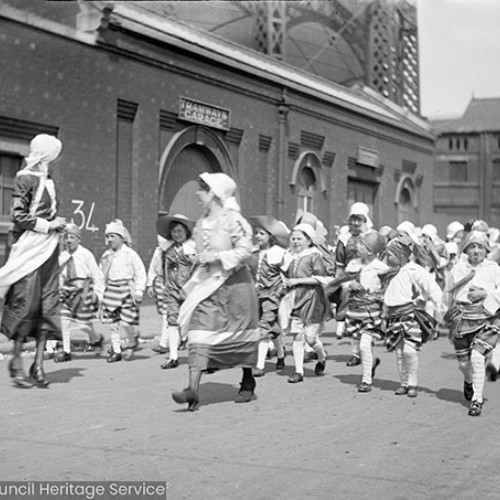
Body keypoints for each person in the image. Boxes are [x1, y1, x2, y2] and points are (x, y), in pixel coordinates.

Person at [172, 172, 259, 411]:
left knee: (237, 334)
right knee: (199, 332)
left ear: (213, 193)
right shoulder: (201, 223)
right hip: (209, 287)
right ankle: (193, 390)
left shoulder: (234, 220)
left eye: (202, 190)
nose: (198, 194)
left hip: (235, 286)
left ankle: (248, 380)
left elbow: (245, 250)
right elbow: (203, 255)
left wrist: (218, 256)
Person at [0, 134, 66, 388]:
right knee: (25, 304)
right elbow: (18, 215)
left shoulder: (49, 180)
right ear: (45, 155)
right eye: (53, 155)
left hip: (49, 249)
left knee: (48, 305)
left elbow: (50, 214)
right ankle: (16, 360)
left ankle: (38, 364)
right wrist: (49, 225)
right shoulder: (24, 178)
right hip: (28, 248)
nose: (56, 160)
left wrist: (58, 226)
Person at [444, 231, 500, 416]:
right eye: (472, 246)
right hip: (462, 319)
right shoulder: (457, 269)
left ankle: (477, 399)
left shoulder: (493, 269)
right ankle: (468, 380)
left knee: (477, 357)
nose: (476, 251)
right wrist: (444, 312)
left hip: (486, 318)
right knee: (464, 364)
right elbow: (448, 293)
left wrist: (485, 295)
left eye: (480, 247)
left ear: (486, 250)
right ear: (466, 249)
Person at [383, 235, 443, 398]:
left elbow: (433, 289)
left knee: (409, 351)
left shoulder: (415, 270)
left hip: (410, 316)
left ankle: (413, 382)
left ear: (401, 255)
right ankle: (404, 383)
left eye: (390, 255)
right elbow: (386, 297)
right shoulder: (390, 273)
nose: (386, 258)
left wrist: (440, 308)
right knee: (399, 351)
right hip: (394, 317)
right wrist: (384, 315)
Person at [280, 223, 332, 383]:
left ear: (308, 240)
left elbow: (320, 278)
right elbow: (284, 274)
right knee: (297, 336)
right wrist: (285, 282)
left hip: (312, 298)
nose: (295, 241)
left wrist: (296, 280)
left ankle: (321, 356)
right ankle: (298, 371)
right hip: (295, 298)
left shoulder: (314, 255)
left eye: (299, 238)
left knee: (310, 339)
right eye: (293, 238)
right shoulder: (290, 256)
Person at [343, 231, 389, 392]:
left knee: (364, 345)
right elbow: (343, 281)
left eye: (361, 244)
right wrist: (349, 285)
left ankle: (366, 380)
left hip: (371, 311)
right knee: (359, 345)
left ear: (370, 250)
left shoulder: (381, 268)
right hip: (355, 310)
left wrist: (377, 296)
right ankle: (372, 364)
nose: (357, 245)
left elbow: (386, 289)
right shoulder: (353, 263)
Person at [52, 223, 105, 361]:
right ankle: (66, 351)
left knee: (83, 325)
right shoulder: (62, 257)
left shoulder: (86, 255)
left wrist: (99, 295)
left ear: (78, 239)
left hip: (83, 293)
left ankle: (96, 338)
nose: (68, 240)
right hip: (67, 293)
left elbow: (97, 276)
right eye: (66, 238)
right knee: (64, 321)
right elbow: (59, 276)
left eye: (72, 237)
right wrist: (59, 289)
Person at [99, 219, 147, 363]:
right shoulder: (106, 256)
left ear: (121, 237)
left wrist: (139, 291)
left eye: (112, 236)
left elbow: (140, 272)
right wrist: (100, 294)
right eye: (107, 237)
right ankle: (116, 350)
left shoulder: (129, 254)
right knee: (113, 323)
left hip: (126, 289)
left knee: (126, 323)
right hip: (112, 290)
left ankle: (132, 339)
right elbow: (100, 275)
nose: (109, 240)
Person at [248, 215, 289, 377]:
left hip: (272, 294)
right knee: (273, 327)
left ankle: (259, 365)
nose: (258, 236)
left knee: (263, 327)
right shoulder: (254, 252)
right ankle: (281, 354)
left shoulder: (278, 253)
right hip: (256, 294)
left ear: (270, 237)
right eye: (256, 233)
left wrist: (283, 289)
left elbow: (288, 272)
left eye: (262, 234)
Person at [156, 213, 196, 370]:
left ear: (186, 232)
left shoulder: (192, 249)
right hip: (172, 291)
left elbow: (199, 268)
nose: (176, 234)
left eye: (180, 231)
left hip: (188, 292)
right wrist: (161, 282)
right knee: (172, 321)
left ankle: (197, 355)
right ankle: (173, 356)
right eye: (174, 231)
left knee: (192, 322)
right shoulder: (167, 249)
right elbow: (161, 267)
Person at [334, 202, 372, 354]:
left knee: (367, 315)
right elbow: (339, 263)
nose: (356, 223)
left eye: (359, 219)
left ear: (365, 220)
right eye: (353, 219)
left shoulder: (371, 236)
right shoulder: (344, 239)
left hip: (369, 277)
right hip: (350, 277)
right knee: (352, 314)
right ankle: (355, 352)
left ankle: (365, 350)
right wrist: (342, 283)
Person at [146, 231, 170, 354]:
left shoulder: (176, 251)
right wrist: (150, 284)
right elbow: (152, 268)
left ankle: (164, 343)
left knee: (168, 314)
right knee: (164, 313)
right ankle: (180, 338)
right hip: (160, 282)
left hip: (172, 283)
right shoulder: (158, 252)